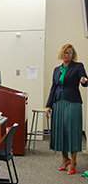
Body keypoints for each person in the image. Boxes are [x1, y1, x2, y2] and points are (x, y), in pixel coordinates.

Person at [45, 43, 88, 175]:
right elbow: (53, 88)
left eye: (69, 53)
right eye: (64, 52)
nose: (66, 55)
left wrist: (84, 81)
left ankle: (73, 161)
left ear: (72, 55)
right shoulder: (56, 70)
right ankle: (65, 159)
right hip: (58, 102)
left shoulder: (78, 66)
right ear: (61, 54)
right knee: (60, 131)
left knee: (72, 131)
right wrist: (48, 105)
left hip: (72, 102)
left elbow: (85, 80)